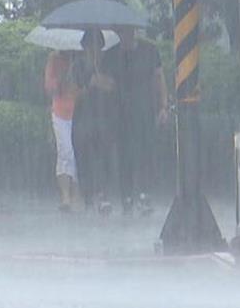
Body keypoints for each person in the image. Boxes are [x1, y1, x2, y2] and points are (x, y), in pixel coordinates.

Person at [102, 26, 168, 216]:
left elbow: (159, 77)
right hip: (120, 114)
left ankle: (144, 194)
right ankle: (127, 197)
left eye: (129, 32)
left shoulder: (150, 51)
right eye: (122, 33)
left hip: (145, 111)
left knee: (146, 154)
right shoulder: (112, 55)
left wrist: (163, 105)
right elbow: (106, 82)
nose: (126, 36)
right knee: (125, 156)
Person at [69, 29, 118, 216]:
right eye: (90, 47)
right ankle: (88, 197)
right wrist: (91, 84)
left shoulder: (109, 64)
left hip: (104, 119)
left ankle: (102, 194)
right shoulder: (77, 66)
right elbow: (73, 93)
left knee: (103, 158)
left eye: (97, 47)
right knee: (84, 160)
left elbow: (113, 85)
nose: (94, 51)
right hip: (82, 120)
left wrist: (101, 81)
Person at [44, 50, 81, 211]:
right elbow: (49, 87)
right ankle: (66, 196)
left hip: (80, 112)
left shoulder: (82, 58)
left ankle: (77, 193)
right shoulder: (54, 58)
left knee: (78, 152)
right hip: (60, 113)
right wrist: (62, 79)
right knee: (65, 152)